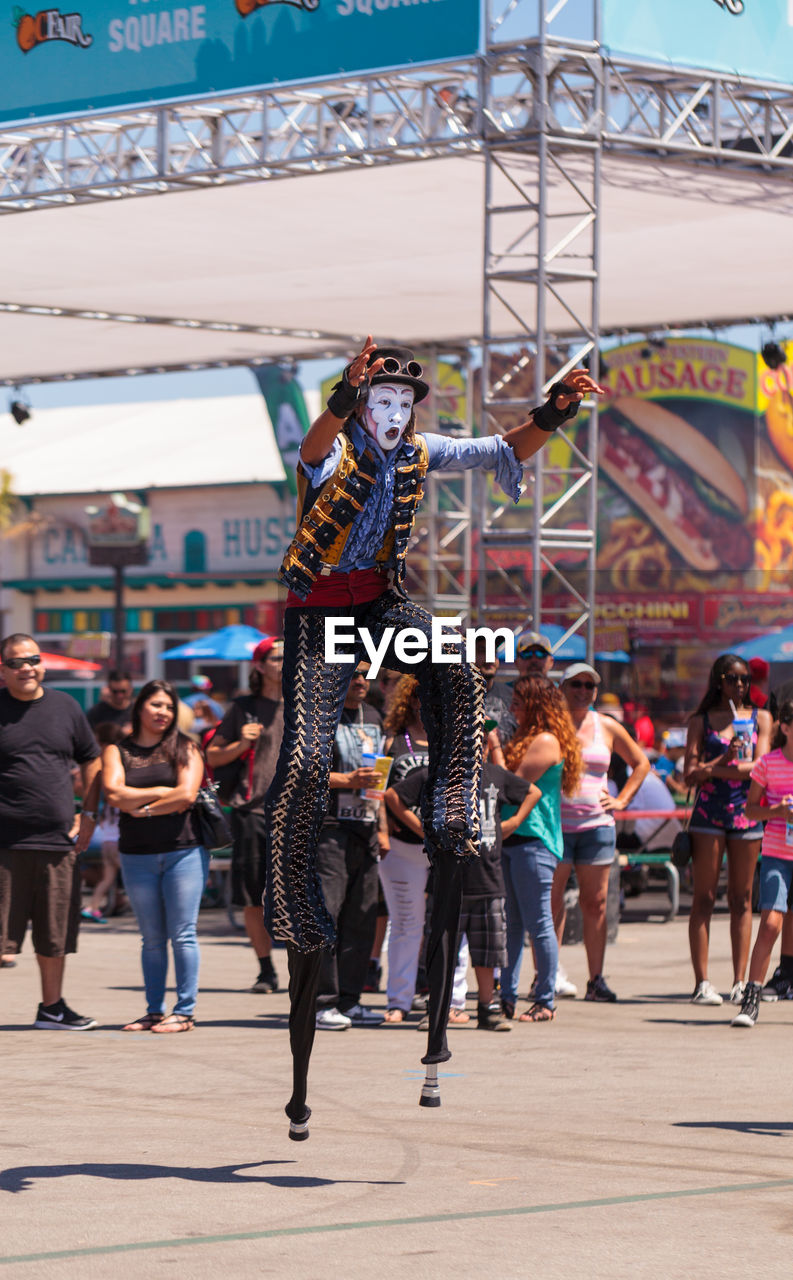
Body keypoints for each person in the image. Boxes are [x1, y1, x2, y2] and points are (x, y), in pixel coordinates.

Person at [263, 334, 602, 1132]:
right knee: (309, 759)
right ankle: (292, 888)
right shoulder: (336, 449)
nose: (390, 416)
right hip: (320, 611)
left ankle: (454, 793)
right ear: (359, 407)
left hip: (379, 601)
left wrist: (553, 414)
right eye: (378, 404)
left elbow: (497, 449)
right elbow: (312, 446)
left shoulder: (418, 449)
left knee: (456, 654)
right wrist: (343, 397)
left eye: (399, 405)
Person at [391, 748, 539, 1031]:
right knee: (442, 951)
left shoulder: (494, 774)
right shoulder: (438, 774)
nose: (473, 748)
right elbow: (393, 797)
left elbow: (532, 792)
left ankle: (487, 1008)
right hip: (448, 879)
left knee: (489, 953)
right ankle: (437, 1009)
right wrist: (424, 830)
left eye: (479, 741)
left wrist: (516, 822)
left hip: (488, 879)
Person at [0, 633, 101, 1030]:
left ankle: (52, 1008)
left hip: (58, 841)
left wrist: (88, 814)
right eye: (15, 662)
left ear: (42, 664)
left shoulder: (66, 707)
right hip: (4, 843)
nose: (26, 667)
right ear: (3, 669)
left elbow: (92, 759)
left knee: (55, 932)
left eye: (32, 659)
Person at [102, 680, 207, 1032]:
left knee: (183, 933)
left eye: (168, 706)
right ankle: (153, 1010)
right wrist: (165, 791)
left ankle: (185, 1011)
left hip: (184, 852)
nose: (162, 712)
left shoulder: (186, 747)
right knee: (151, 937)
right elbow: (114, 794)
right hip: (137, 855)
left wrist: (144, 808)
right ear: (140, 707)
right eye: (155, 705)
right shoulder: (117, 750)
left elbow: (187, 795)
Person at [552, 663, 650, 1003]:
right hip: (556, 825)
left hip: (597, 825)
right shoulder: (550, 724)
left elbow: (641, 763)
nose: (582, 691)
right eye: (575, 685)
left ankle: (596, 979)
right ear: (562, 688)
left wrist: (622, 799)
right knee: (552, 903)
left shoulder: (606, 726)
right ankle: (550, 975)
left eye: (589, 686)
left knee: (595, 904)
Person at [684, 653, 772, 1006]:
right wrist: (723, 761)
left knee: (742, 899)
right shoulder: (701, 720)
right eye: (732, 679)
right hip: (708, 814)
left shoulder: (759, 717)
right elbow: (690, 772)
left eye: (744, 680)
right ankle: (702, 981)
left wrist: (712, 769)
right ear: (718, 681)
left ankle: (739, 980)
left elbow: (757, 768)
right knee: (704, 897)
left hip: (746, 811)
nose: (739, 685)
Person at [500, 677, 583, 1022]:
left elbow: (513, 782)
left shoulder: (546, 741)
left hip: (534, 840)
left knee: (539, 923)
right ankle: (505, 995)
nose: (512, 708)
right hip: (511, 838)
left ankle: (545, 999)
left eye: (519, 701)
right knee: (513, 924)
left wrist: (491, 747)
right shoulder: (524, 737)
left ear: (536, 704)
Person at [206, 636, 284, 994]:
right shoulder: (244, 708)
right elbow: (212, 757)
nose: (284, 662)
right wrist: (242, 743)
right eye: (276, 657)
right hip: (252, 810)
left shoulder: (306, 704)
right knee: (255, 895)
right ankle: (265, 969)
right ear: (260, 665)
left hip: (296, 811)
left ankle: (305, 965)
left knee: (298, 894)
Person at [315, 664, 387, 1029]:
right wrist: (346, 779)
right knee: (328, 915)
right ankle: (321, 1002)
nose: (360, 681)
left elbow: (381, 777)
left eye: (365, 674)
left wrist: (383, 828)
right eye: (353, 674)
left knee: (362, 918)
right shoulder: (320, 717)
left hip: (367, 826)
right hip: (331, 829)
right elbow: (303, 772)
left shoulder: (374, 716)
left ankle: (351, 999)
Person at [732, 701, 793, 1027]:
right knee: (770, 923)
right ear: (785, 727)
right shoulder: (769, 763)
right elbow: (750, 810)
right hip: (777, 854)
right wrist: (777, 812)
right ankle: (751, 998)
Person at [379, 675, 432, 1022]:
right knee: (406, 924)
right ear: (411, 701)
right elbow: (375, 790)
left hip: (444, 848)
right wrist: (382, 832)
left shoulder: (451, 742)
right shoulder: (391, 743)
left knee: (447, 925)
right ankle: (398, 1001)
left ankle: (446, 999)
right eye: (423, 698)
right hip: (401, 848)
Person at [80, 722, 124, 924]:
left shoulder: (106, 797)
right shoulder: (118, 783)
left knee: (107, 879)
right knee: (134, 879)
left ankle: (93, 906)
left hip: (106, 839)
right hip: (118, 840)